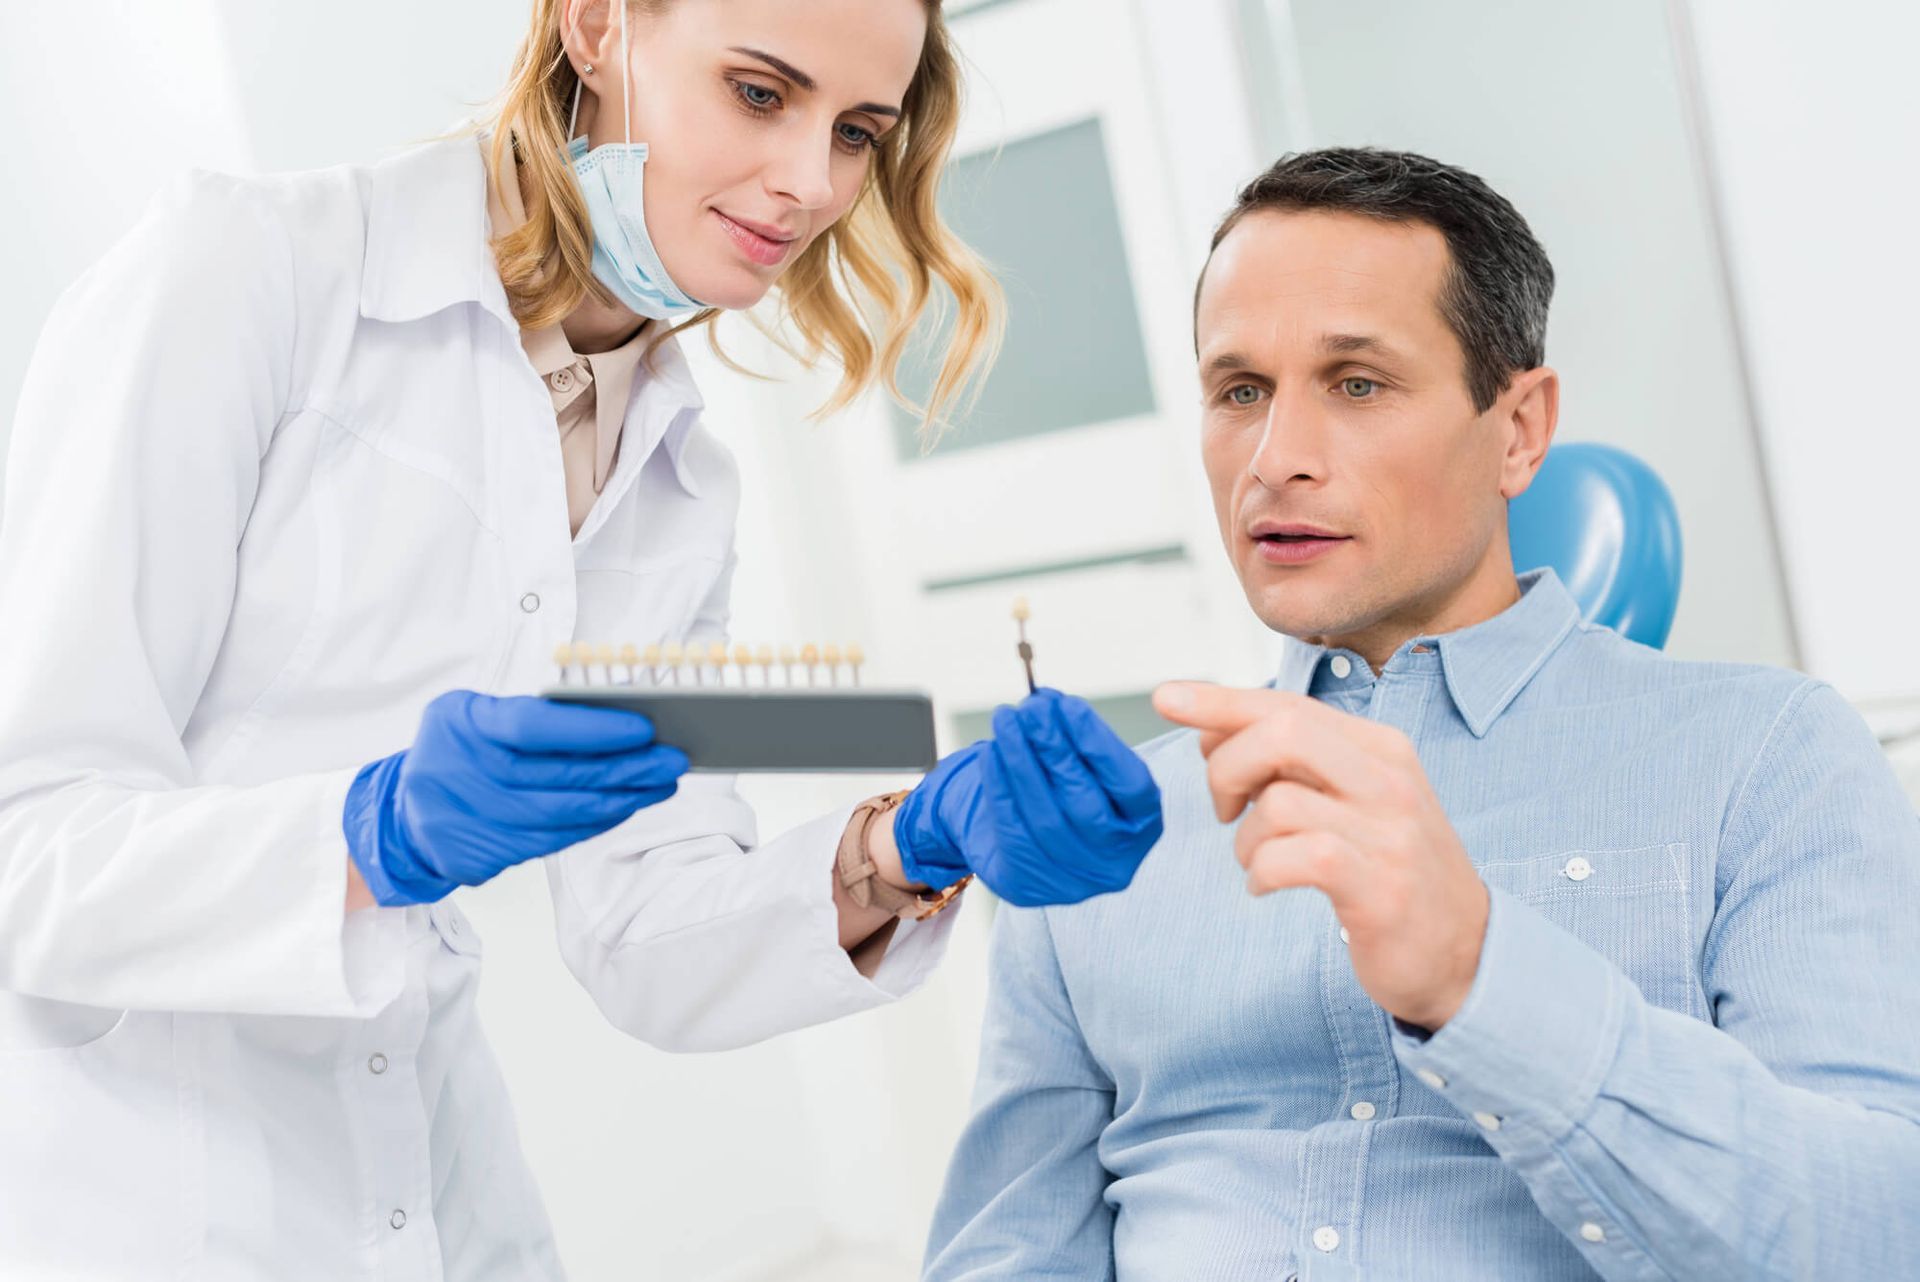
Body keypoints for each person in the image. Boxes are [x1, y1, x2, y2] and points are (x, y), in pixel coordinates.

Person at [0, 1, 1163, 1277]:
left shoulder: (678, 476)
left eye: (857, 133)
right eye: (761, 93)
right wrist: (368, 834)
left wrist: (903, 847)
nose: (810, 183)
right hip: (135, 1204)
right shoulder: (255, 273)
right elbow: (27, 841)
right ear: (598, 26)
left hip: (440, 1200)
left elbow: (644, 934)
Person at [925, 147, 1920, 1280]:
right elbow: (1002, 1255)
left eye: (1357, 383)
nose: (1275, 460)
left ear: (1520, 429)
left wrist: (1483, 973)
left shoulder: (1770, 757)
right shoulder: (1115, 832)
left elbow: (1879, 1237)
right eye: (1239, 391)